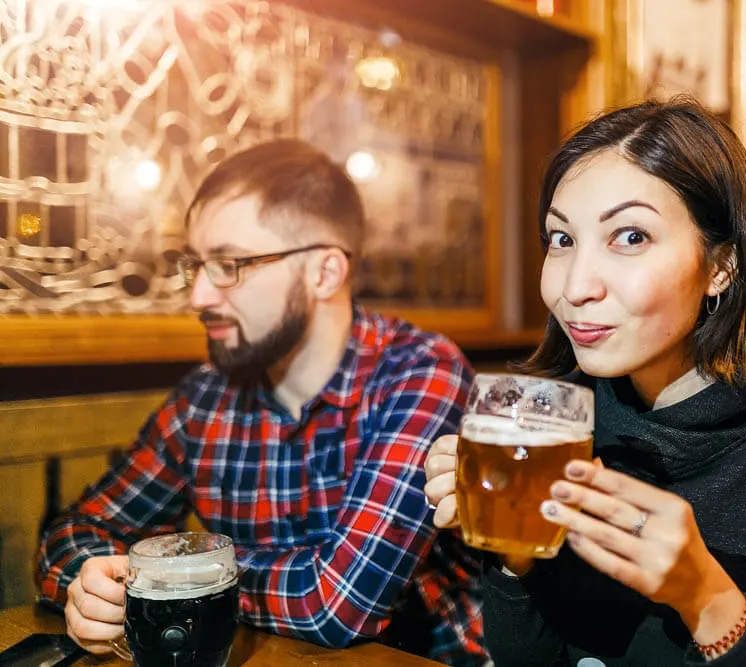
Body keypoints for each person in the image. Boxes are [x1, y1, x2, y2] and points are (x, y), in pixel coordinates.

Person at [424, 98, 746, 665]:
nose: (576, 285)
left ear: (721, 267)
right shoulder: (563, 419)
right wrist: (514, 555)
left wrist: (705, 597)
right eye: (561, 240)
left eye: (630, 237)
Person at [36, 139, 487, 666]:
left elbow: (338, 604)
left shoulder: (418, 371)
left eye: (230, 263)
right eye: (197, 265)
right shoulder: (206, 398)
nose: (199, 295)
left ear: (324, 272)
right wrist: (92, 587)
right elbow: (71, 534)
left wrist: (173, 576)